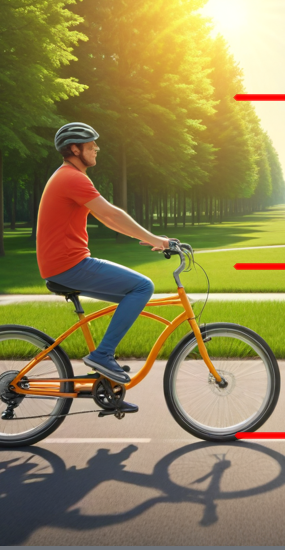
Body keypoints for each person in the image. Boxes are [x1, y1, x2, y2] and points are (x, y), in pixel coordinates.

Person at [36, 122, 172, 401]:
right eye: (90, 144)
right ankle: (103, 355)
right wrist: (155, 238)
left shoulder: (69, 177)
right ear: (75, 149)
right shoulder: (72, 178)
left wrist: (145, 237)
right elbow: (111, 213)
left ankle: (106, 381)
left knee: (130, 294)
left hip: (65, 264)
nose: (97, 148)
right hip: (69, 265)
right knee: (142, 287)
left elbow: (106, 217)